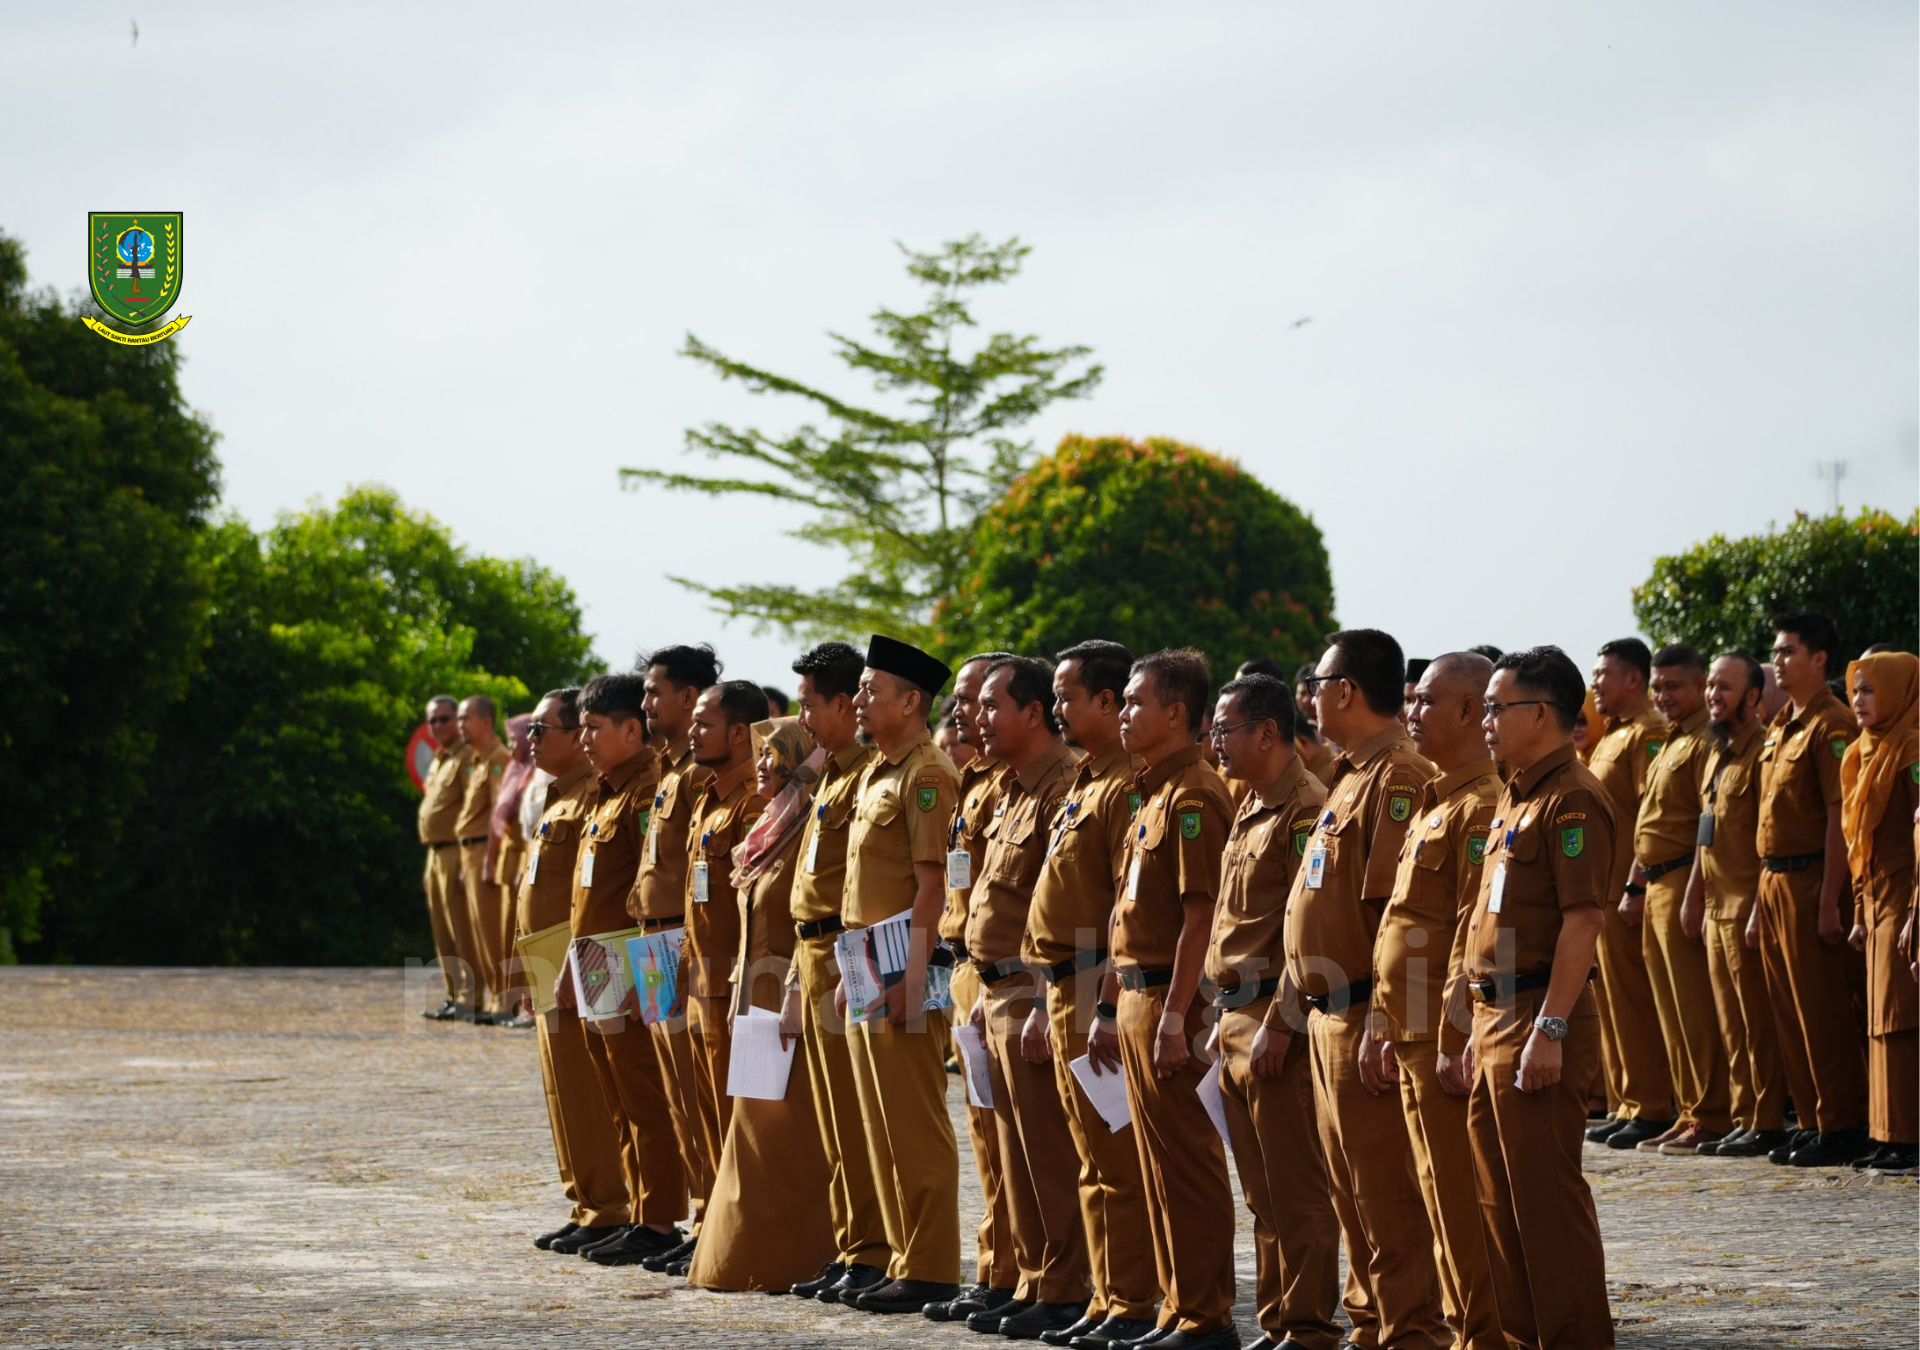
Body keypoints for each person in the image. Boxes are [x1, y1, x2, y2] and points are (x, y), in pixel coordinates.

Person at [1285, 629, 1445, 1350]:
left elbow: (1392, 913)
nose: (1311, 698)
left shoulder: (1399, 776)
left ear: (1346, 690)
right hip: (1327, 1012)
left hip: (1362, 1010)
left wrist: (1385, 1015)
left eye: (1320, 685)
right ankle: (1372, 1325)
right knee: (1350, 1193)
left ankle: (1411, 1330)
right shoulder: (1349, 774)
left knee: (1387, 1196)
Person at [1461, 646, 1614, 1350]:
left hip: (1537, 1015)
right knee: (1501, 1204)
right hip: (1495, 1016)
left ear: (1542, 713)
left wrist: (1550, 1029)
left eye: (1498, 708)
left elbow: (1583, 921)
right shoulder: (1515, 794)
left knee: (1546, 1201)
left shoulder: (1571, 797)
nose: (1486, 721)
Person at [1099, 647, 1239, 1350]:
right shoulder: (1152, 791)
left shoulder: (1194, 796)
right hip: (1137, 994)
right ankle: (1177, 1308)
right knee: (1156, 1167)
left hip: (1168, 998)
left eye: (1135, 702)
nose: (1123, 713)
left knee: (1187, 1164)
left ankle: (1207, 1314)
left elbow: (1200, 916)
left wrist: (1178, 1015)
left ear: (1176, 713)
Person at [1022, 640, 1160, 1350]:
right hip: (1060, 983)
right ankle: (1106, 1297)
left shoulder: (1125, 785)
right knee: (1090, 1159)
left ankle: (1133, 1299)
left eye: (1067, 696)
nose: (1057, 709)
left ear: (1108, 701)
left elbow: (1122, 907)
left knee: (1116, 1156)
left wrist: (1106, 1004)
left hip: (1093, 980)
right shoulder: (1084, 779)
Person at [1365, 652, 1502, 1350]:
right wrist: (1383, 1021)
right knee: (1433, 1198)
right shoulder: (1436, 801)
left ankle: (1483, 1335)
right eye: (1411, 700)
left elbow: (1471, 932)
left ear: (1471, 712)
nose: (1411, 713)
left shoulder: (1481, 808)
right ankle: (1458, 1329)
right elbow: (1400, 922)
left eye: (1426, 701)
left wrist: (1454, 1032)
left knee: (1461, 1202)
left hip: (1440, 1033)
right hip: (1409, 1027)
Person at [1206, 672, 1341, 1350]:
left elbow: (1305, 929)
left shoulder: (1304, 807)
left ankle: (1309, 1326)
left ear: (1266, 732)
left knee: (1297, 1187)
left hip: (1272, 1018)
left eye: (1224, 729)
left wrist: (1281, 1022)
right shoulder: (1250, 803)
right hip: (1235, 1016)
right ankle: (1279, 1319)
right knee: (1261, 1192)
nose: (1215, 742)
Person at [685, 716, 841, 1289]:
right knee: (752, 1131)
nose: (764, 768)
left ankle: (795, 1256)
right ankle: (743, 1254)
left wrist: (792, 988)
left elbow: (807, 919)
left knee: (788, 1133)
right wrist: (738, 985)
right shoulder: (771, 829)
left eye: (776, 757)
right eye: (762, 757)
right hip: (755, 993)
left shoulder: (807, 827)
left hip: (792, 997)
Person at [962, 656, 1089, 1340]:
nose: (977, 719)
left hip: (1034, 988)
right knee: (1015, 1151)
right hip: (996, 988)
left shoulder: (1060, 785)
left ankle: (1065, 1286)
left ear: (1033, 713)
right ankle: (1036, 1279)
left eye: (992, 707)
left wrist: (1041, 1000)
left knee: (1048, 1152)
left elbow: (1063, 908)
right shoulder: (1009, 787)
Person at [840, 634, 964, 1313]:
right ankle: (900, 1256)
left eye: (871, 690)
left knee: (915, 1124)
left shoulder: (928, 774)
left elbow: (932, 887)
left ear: (912, 701)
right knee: (881, 1122)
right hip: (868, 966)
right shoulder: (877, 771)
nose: (859, 699)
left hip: (902, 970)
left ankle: (932, 1266)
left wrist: (913, 979)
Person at [565, 673, 688, 1263]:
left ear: (631, 730)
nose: (584, 739)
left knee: (646, 1094)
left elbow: (650, 885)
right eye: (581, 729)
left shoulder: (646, 791)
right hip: (597, 957)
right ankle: (639, 1209)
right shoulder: (606, 791)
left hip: (628, 956)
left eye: (594, 728)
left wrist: (645, 971)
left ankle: (659, 1219)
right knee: (618, 1096)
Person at [783, 642, 890, 1306]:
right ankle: (852, 1244)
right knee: (832, 1117)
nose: (803, 720)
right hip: (813, 955)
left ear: (845, 704)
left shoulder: (870, 775)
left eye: (809, 706)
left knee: (857, 1113)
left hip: (848, 953)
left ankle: (875, 1249)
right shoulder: (829, 775)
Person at [517, 688, 632, 1254]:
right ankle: (586, 1201)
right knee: (560, 1090)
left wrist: (567, 961)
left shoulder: (591, 795)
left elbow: (592, 892)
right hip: (544, 953)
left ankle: (610, 1205)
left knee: (586, 1091)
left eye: (542, 729)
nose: (532, 740)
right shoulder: (557, 795)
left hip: (573, 956)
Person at [926, 652, 1022, 1325]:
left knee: (1017, 1140)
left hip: (1006, 975)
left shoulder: (1020, 784)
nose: (964, 712)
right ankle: (997, 1267)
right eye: (962, 700)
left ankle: (1022, 1273)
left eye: (978, 699)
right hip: (965, 967)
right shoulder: (977, 781)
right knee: (985, 1135)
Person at [1751, 612, 1867, 1167]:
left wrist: (1827, 901)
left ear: (1819, 659)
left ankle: (1842, 1122)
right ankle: (1815, 1119)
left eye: (1788, 651)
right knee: (1789, 1009)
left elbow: (1839, 817)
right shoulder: (1782, 725)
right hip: (1773, 878)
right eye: (1775, 651)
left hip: (1812, 878)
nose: (1777, 661)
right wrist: (1759, 902)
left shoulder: (1832, 724)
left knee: (1822, 1008)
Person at [627, 644, 722, 1272]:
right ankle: (692, 1215)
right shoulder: (665, 769)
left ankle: (711, 1216)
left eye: (655, 692)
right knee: (674, 1092)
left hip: (677, 941)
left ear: (689, 697)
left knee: (695, 1087)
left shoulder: (696, 775)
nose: (646, 704)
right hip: (651, 939)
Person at [673, 679, 772, 1268]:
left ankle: (742, 1234)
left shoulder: (753, 803)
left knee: (737, 1117)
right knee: (705, 1114)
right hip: (698, 980)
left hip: (733, 983)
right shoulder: (708, 797)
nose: (693, 731)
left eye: (704, 723)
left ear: (739, 733)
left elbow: (752, 907)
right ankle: (712, 1225)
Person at [1682, 654, 1791, 1158]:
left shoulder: (1763, 753)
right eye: (1710, 685)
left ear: (1752, 696)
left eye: (1724, 688)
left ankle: (1767, 1120)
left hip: (1748, 904)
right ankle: (1744, 1116)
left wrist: (1757, 908)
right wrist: (1694, 897)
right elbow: (1706, 835)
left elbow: (1769, 838)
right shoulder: (1716, 753)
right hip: (1716, 908)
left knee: (1757, 1024)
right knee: (1731, 1023)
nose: (1713, 695)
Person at [1629, 645, 1732, 1154]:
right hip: (1654, 884)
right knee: (1670, 1009)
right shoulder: (1671, 740)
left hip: (1682, 879)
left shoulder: (1705, 741)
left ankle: (1712, 1113)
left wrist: (1695, 892)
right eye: (1658, 686)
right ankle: (1690, 1109)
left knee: (1693, 1007)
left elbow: (1704, 824)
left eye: (1674, 686)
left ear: (1697, 687)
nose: (1663, 695)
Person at [1583, 639, 1676, 1149]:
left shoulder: (1648, 733)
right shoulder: (1612, 734)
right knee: (1612, 1001)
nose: (1596, 683)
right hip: (1602, 892)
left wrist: (1636, 884)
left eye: (1604, 674)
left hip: (1626, 889)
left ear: (1633, 680)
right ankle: (1626, 1101)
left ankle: (1651, 1102)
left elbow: (1649, 814)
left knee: (1635, 1000)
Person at [1841, 651, 1918, 1175]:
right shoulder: (1861, 752)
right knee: (1876, 1017)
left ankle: (1908, 1136)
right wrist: (1858, 910)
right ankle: (1887, 1133)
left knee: (1900, 1016)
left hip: (1904, 893)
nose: (1858, 701)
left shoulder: (1912, 747)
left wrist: (1916, 907)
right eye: (1855, 690)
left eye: (1870, 690)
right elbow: (1857, 845)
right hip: (1872, 899)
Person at [418, 695, 480, 1020]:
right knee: (442, 931)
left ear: (458, 720)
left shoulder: (467, 756)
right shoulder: (439, 760)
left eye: (445, 718)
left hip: (456, 850)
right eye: (433, 720)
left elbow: (474, 807)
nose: (438, 725)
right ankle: (454, 995)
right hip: (435, 853)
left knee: (462, 929)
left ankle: (472, 997)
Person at [456, 694, 513, 1023]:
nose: (460, 725)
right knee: (477, 932)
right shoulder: (477, 760)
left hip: (484, 850)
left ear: (486, 721)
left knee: (493, 933)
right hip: (470, 851)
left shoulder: (498, 758)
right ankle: (494, 999)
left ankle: (504, 1002)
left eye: (466, 718)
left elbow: (498, 815)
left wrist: (491, 860)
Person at [491, 712, 537, 1025]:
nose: (511, 748)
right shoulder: (516, 770)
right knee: (506, 935)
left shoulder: (540, 772)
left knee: (525, 936)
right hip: (514, 858)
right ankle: (510, 1000)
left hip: (528, 855)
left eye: (513, 740)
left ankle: (524, 1003)